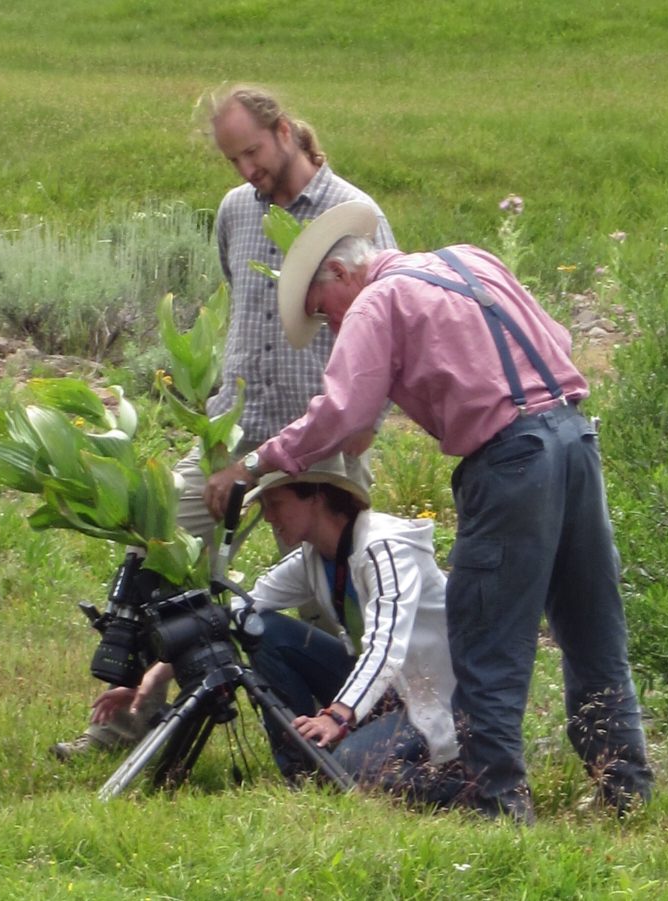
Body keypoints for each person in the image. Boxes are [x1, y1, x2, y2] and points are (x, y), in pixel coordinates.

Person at [205, 201, 654, 821]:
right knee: (593, 634)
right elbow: (559, 340)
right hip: (575, 440)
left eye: (321, 311)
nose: (331, 326)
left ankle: (497, 807)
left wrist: (253, 465)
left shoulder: (374, 301)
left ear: (338, 275)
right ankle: (628, 794)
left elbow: (343, 412)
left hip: (509, 461)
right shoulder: (472, 260)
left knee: (484, 641)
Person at [51, 83, 395, 759]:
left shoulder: (354, 212)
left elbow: (385, 318)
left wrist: (365, 423)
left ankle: (363, 729)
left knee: (337, 588)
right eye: (232, 158)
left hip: (320, 436)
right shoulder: (237, 211)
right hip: (233, 432)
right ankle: (131, 713)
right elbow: (241, 307)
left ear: (287, 132)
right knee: (164, 548)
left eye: (254, 152)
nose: (246, 170)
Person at [91, 454, 462, 803]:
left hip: (431, 699)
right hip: (382, 694)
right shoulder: (315, 556)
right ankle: (303, 772)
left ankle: (465, 779)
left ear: (315, 496)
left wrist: (336, 715)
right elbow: (237, 611)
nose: (268, 518)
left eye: (275, 503)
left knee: (352, 767)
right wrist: (152, 678)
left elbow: (386, 649)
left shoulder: (386, 548)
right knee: (261, 629)